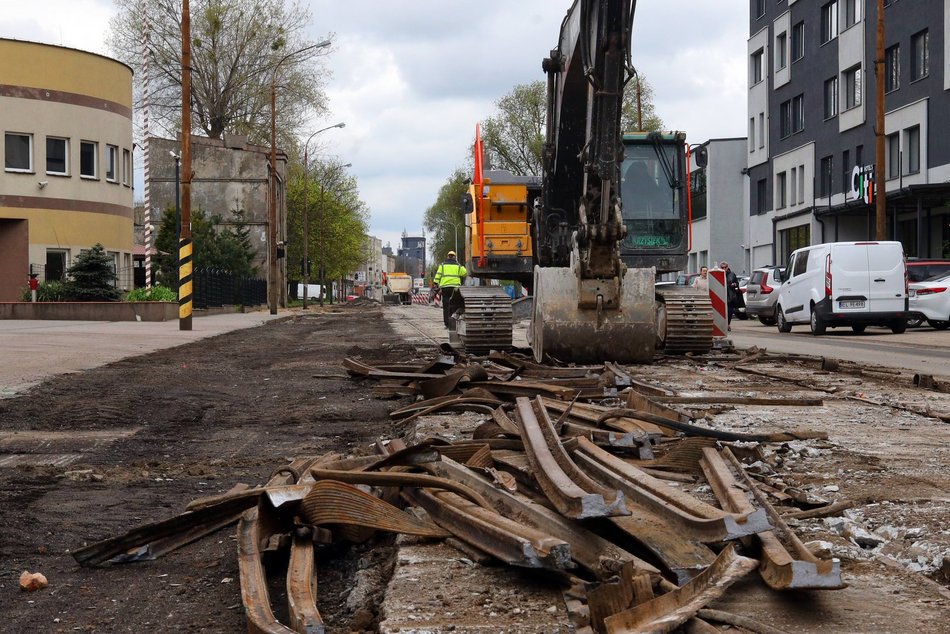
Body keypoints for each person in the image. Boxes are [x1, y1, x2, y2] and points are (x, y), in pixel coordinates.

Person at [433, 251, 467, 330]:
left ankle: (447, 324)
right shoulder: (458, 265)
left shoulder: (442, 265)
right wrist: (460, 266)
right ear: (454, 257)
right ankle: (454, 322)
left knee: (446, 306)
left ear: (448, 257)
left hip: (445, 287)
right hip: (455, 288)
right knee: (455, 305)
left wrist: (435, 282)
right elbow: (465, 273)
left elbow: (438, 274)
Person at [720, 261, 740, 330]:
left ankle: (727, 324)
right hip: (721, 296)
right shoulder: (718, 275)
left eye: (725, 267)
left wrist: (734, 284)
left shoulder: (732, 274)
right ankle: (723, 325)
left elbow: (737, 283)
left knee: (730, 311)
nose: (724, 269)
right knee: (721, 312)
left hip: (730, 296)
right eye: (722, 267)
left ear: (728, 267)